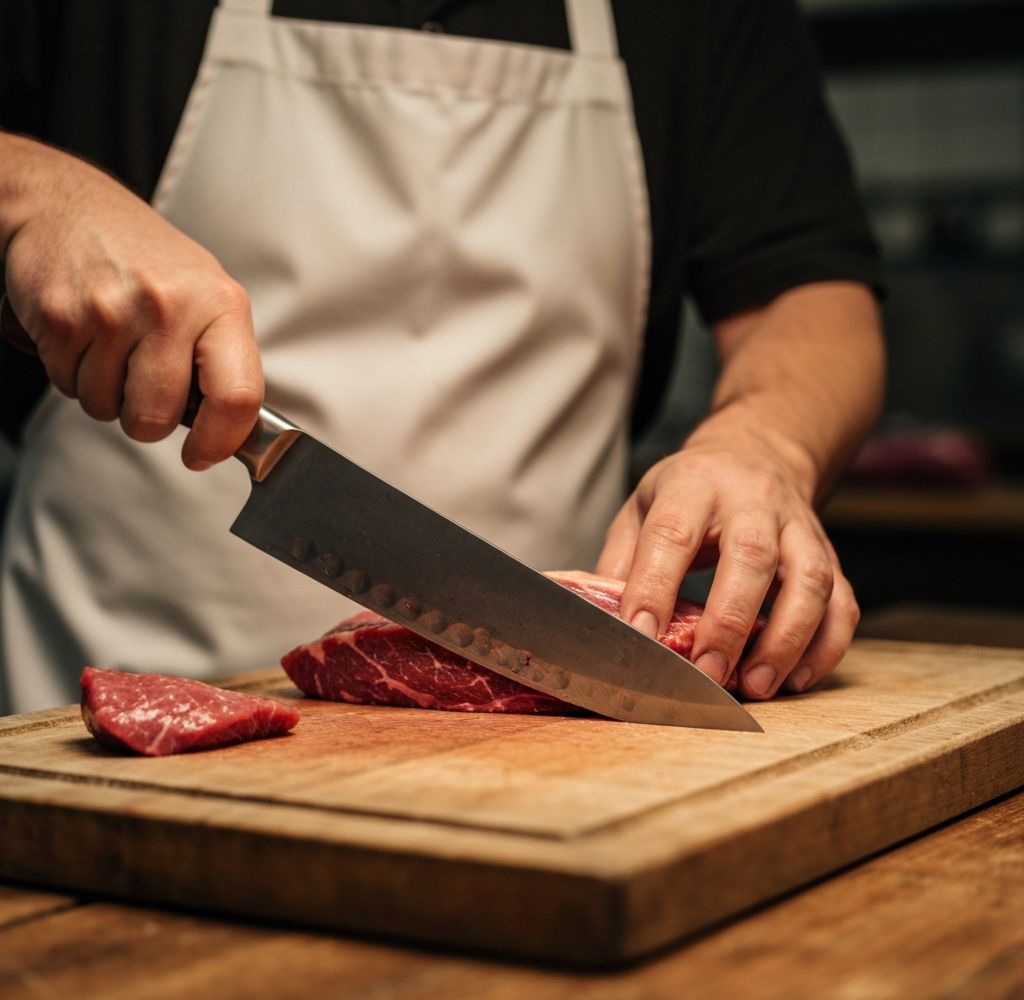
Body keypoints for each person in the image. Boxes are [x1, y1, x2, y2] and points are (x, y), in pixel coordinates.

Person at [0, 0, 885, 714]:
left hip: (559, 711)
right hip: (105, 719)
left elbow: (809, 287)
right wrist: (36, 192)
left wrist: (765, 442)